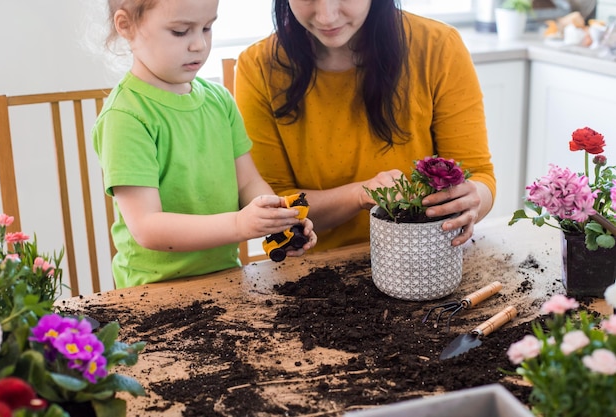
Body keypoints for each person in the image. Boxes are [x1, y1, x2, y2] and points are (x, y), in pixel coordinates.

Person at [234, 0, 496, 252]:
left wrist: (473, 201)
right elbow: (275, 207)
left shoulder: (438, 47)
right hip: (319, 269)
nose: (327, 16)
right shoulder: (258, 66)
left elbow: (479, 176)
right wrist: (361, 194)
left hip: (426, 256)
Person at [92, 0, 316, 289]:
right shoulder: (126, 116)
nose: (199, 44)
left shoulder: (219, 101)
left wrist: (278, 221)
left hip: (225, 278)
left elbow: (248, 183)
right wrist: (239, 224)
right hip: (152, 290)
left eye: (207, 28)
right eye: (181, 31)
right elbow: (147, 227)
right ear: (126, 26)